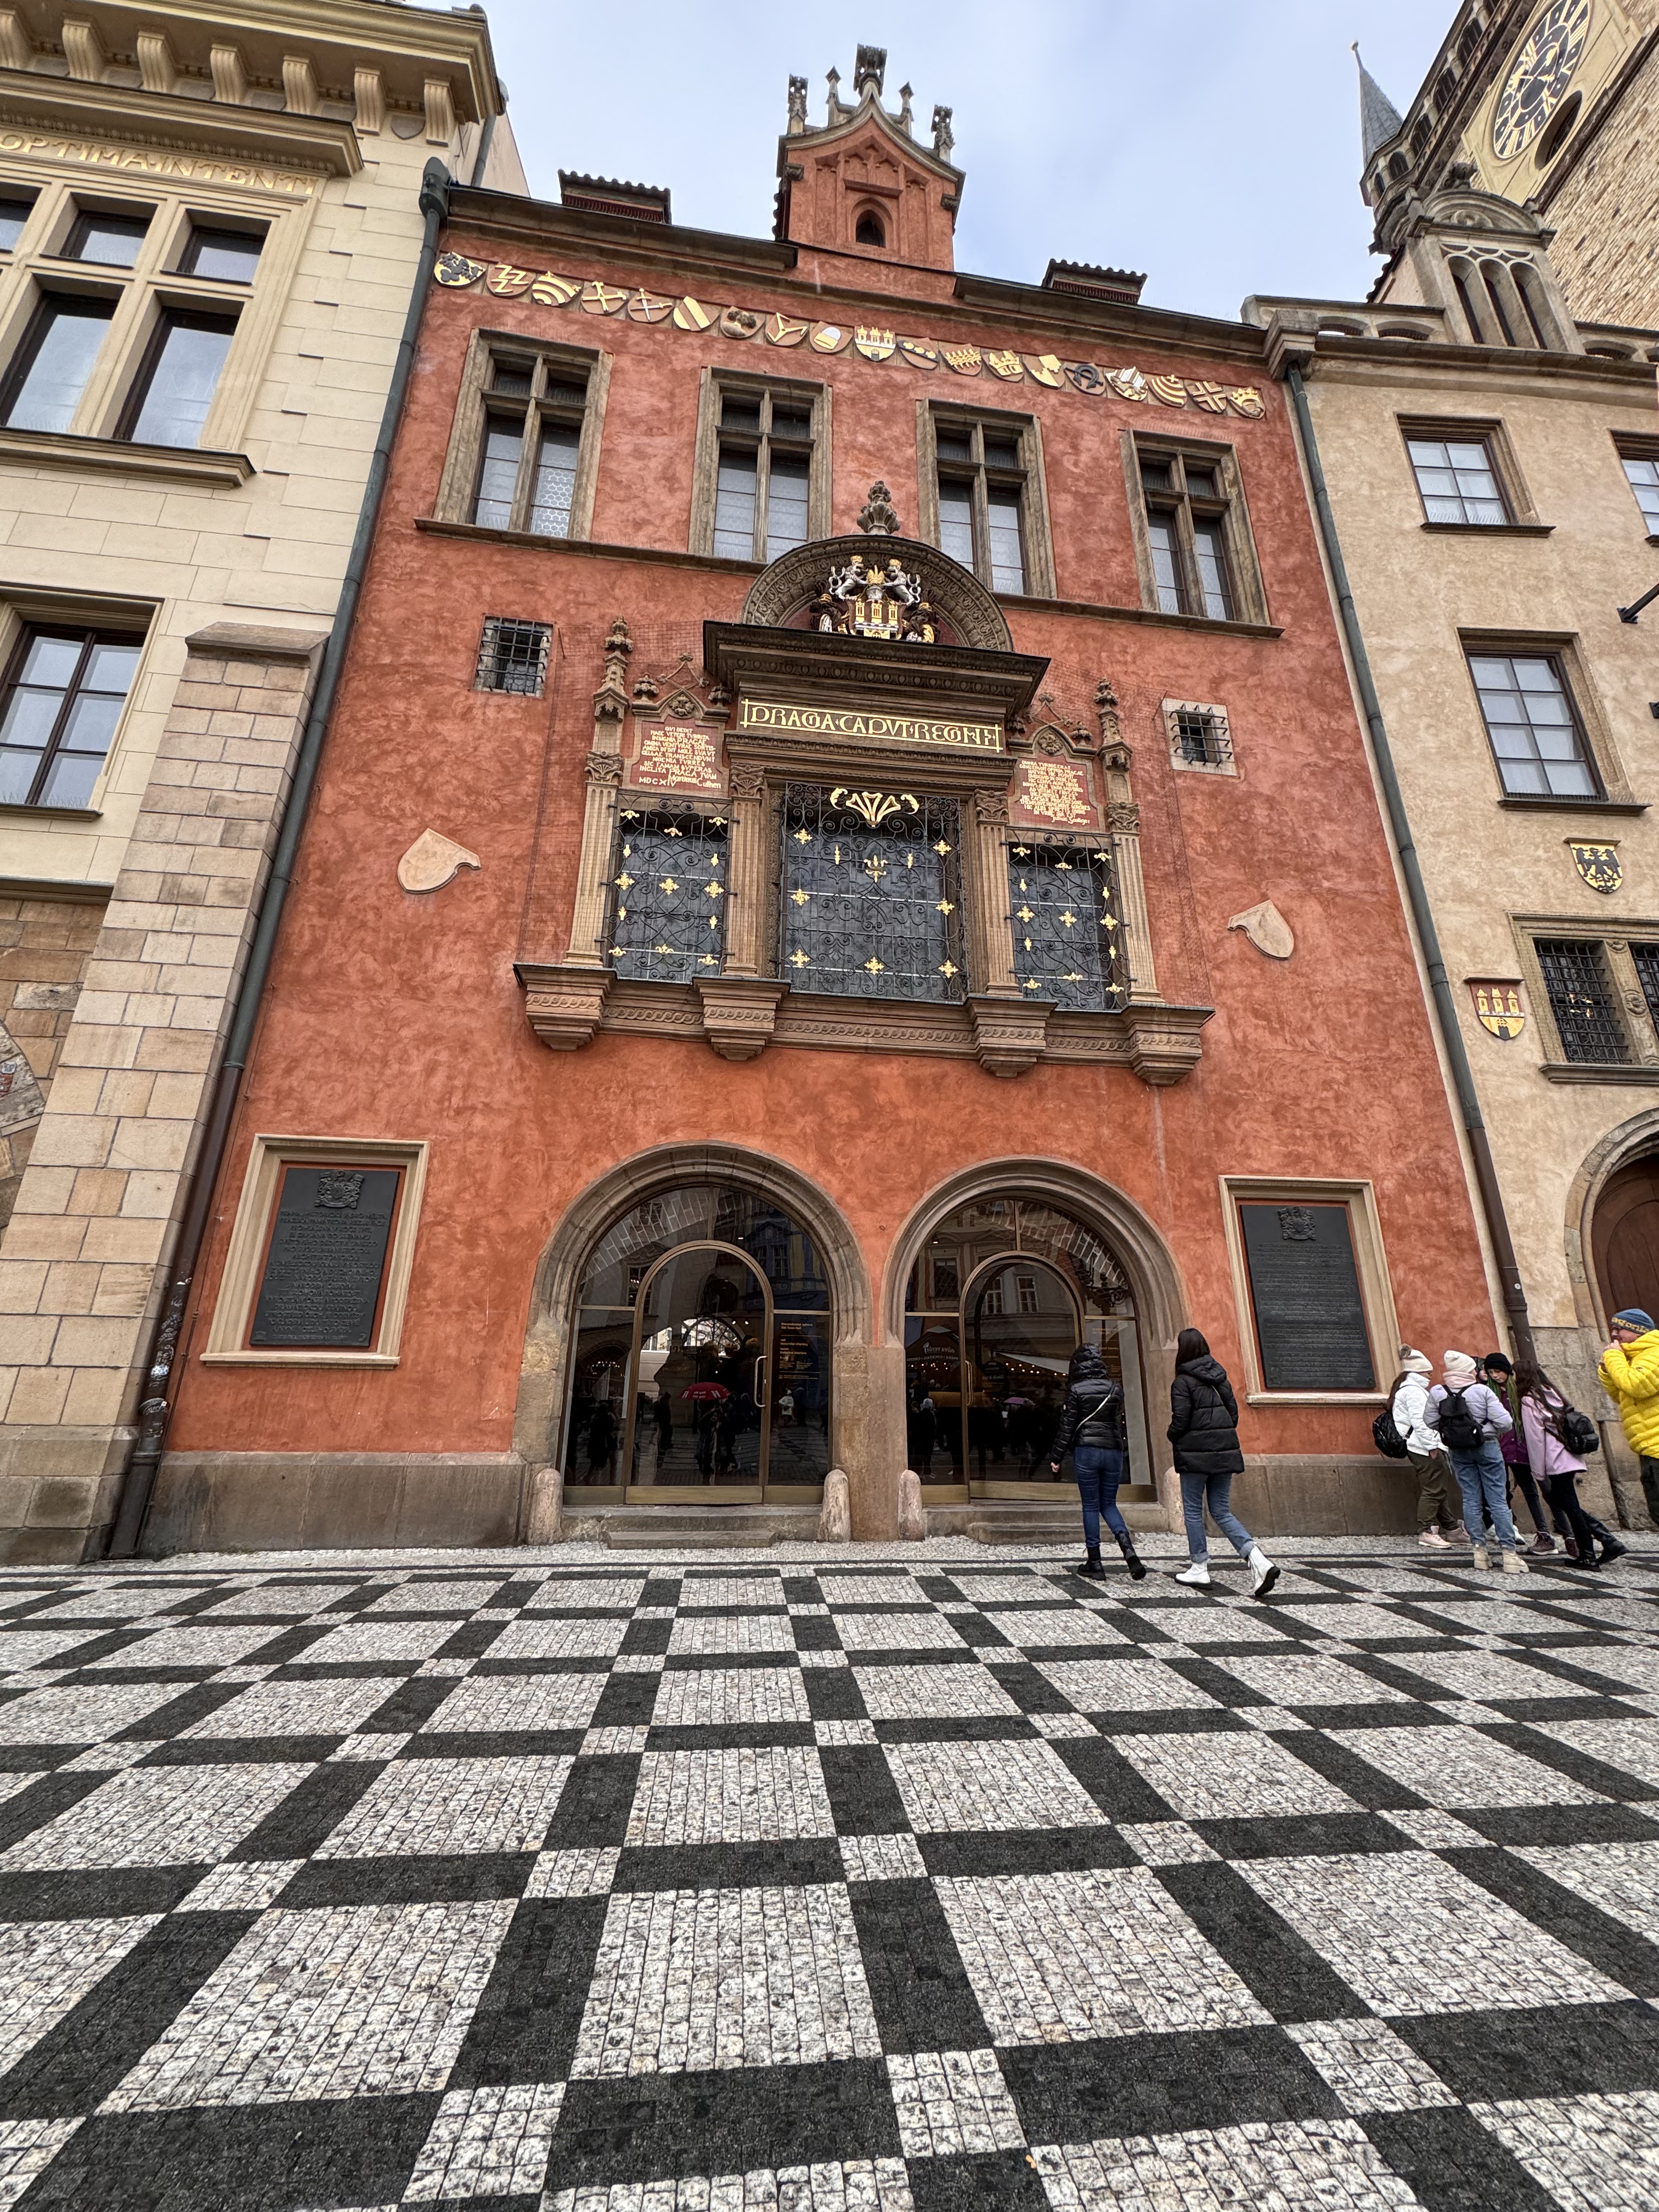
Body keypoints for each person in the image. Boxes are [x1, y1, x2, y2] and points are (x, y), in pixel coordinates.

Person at [1166, 1328, 1278, 1596]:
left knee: (1193, 1510)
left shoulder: (1182, 1382)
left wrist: (1171, 1434)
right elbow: (1233, 1415)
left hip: (1195, 1455)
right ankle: (1259, 1560)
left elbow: (1181, 1420)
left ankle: (1199, 1566)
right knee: (1221, 1510)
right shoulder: (1220, 1376)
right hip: (1224, 1453)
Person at [1424, 1349, 1527, 1572]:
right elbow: (1505, 1422)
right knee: (1497, 1500)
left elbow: (1430, 1421)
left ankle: (1479, 1553)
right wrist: (1484, 1429)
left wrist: (1454, 1431)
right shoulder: (1482, 1390)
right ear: (1467, 1370)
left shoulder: (1438, 1392)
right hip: (1486, 1446)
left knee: (1471, 1499)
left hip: (1458, 1450)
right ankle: (1510, 1554)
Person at [1048, 1343, 1143, 1579]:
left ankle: (1095, 1562)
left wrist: (1056, 1457)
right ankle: (1128, 1550)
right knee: (1109, 1504)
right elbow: (1117, 1422)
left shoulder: (1076, 1389)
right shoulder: (1115, 1388)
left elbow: (1067, 1426)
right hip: (1113, 1450)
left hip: (1087, 1450)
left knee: (1091, 1506)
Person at [1514, 1355, 1604, 1571]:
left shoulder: (1529, 1400)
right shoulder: (1552, 1393)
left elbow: (1535, 1438)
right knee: (1566, 1502)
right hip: (1570, 1457)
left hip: (1555, 1459)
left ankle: (1590, 1554)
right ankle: (1601, 1543)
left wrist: (1538, 1471)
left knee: (1569, 1505)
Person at [1482, 1352, 1559, 1555]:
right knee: (1502, 1491)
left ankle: (1555, 1532)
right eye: (1491, 1372)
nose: (1495, 1375)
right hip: (1502, 1449)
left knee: (1542, 1490)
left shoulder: (1520, 1392)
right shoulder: (1489, 1392)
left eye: (1498, 1371)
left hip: (1525, 1448)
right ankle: (1508, 1530)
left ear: (1508, 1371)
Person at [1392, 1347, 1462, 1548]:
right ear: (1417, 1372)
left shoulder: (1410, 1389)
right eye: (1427, 1372)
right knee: (1433, 1490)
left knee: (1437, 1489)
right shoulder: (1414, 1392)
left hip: (1420, 1445)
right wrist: (1433, 1446)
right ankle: (1427, 1531)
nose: (1431, 1375)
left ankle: (1452, 1529)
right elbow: (1421, 1422)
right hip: (1424, 1447)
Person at [1598, 1307, 1659, 1531]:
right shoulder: (1634, 1358)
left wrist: (1613, 1357)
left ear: (1638, 1331)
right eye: (1613, 1329)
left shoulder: (1654, 1354)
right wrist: (1607, 1371)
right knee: (1656, 1509)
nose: (1614, 1334)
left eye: (1619, 1329)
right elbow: (1623, 1395)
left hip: (1657, 1445)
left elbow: (1635, 1385)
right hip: (1648, 1446)